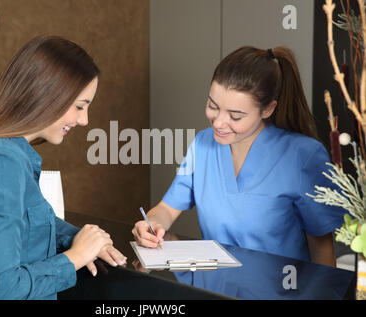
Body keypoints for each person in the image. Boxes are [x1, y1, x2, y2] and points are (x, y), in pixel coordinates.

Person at [0, 35, 127, 300]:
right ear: (47, 94)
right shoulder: (0, 162)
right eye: (79, 106)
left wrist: (82, 239)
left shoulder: (9, 155)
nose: (84, 120)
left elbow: (27, 220)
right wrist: (75, 257)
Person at [132, 46, 343, 266]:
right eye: (212, 106)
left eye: (235, 115)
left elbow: (322, 252)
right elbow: (167, 208)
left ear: (268, 109)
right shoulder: (203, 144)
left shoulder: (303, 156)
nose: (219, 122)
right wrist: (151, 224)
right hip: (214, 289)